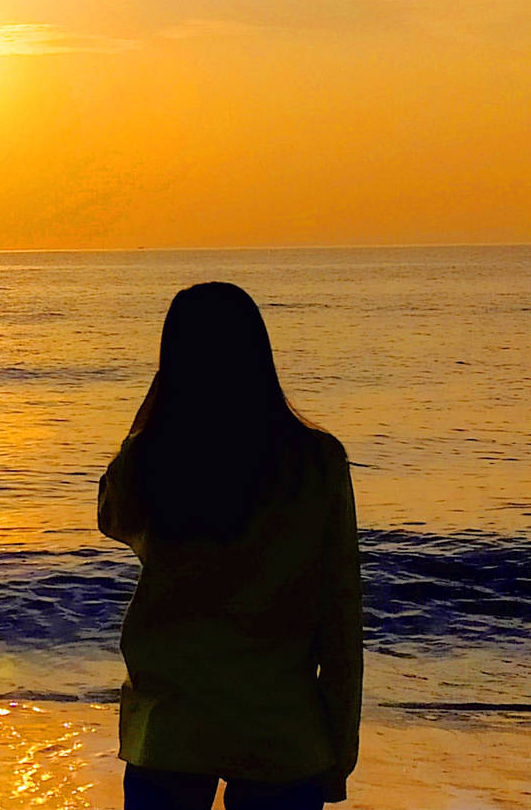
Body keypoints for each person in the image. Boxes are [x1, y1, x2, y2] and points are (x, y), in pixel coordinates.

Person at [98, 282, 362, 810]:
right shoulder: (316, 463)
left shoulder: (159, 459)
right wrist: (339, 749)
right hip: (280, 730)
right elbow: (340, 621)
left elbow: (111, 516)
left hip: (171, 728)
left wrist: (154, 409)